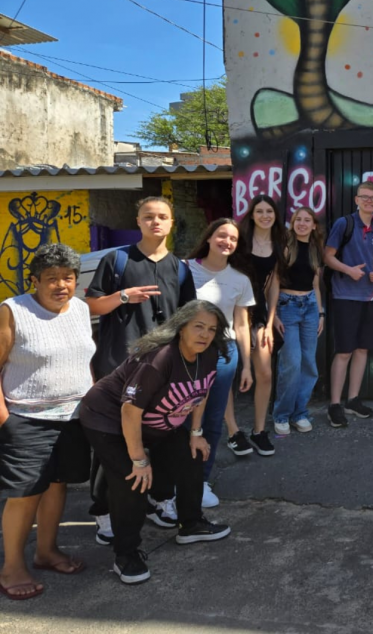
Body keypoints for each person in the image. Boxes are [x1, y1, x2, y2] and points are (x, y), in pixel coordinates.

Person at [80, 300, 232, 584]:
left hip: (154, 420)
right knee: (133, 480)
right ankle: (126, 554)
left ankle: (191, 524)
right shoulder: (160, 357)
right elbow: (129, 410)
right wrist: (139, 459)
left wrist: (196, 433)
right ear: (181, 327)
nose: (205, 334)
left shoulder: (208, 354)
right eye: (198, 326)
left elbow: (201, 391)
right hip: (108, 418)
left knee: (192, 454)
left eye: (212, 329)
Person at [85, 196, 197, 544]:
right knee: (113, 443)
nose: (156, 222)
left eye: (162, 216)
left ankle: (160, 499)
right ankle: (103, 512)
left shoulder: (180, 268)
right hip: (119, 367)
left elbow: (189, 319)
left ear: (171, 222)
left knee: (164, 436)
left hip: (162, 371)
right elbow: (91, 304)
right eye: (149, 217)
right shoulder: (116, 260)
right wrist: (123, 296)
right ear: (138, 220)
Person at [0, 244, 96, 600]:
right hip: (26, 418)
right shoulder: (13, 311)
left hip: (72, 417)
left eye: (68, 278)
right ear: (35, 281)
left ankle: (46, 552)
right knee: (26, 494)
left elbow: (82, 360)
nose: (61, 285)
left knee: (57, 485)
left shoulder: (81, 310)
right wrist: (5, 419)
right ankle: (11, 566)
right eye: (52, 278)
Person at [186, 219, 256, 507]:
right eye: (221, 235)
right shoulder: (185, 269)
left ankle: (201, 479)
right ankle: (177, 479)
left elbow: (241, 325)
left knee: (213, 419)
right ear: (209, 236)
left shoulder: (240, 280)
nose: (227, 241)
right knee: (181, 418)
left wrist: (247, 365)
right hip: (187, 352)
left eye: (233, 239)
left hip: (224, 352)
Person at [323, 181, 373, 428]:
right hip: (345, 296)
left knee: (362, 349)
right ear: (356, 199)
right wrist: (348, 270)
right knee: (344, 351)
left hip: (371, 297)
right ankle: (335, 405)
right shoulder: (344, 224)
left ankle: (353, 400)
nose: (370, 201)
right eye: (365, 197)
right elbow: (327, 257)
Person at [223, 195, 284, 457]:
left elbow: (273, 284)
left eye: (269, 211)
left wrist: (270, 323)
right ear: (252, 215)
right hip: (231, 307)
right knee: (226, 372)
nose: (265, 215)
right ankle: (233, 431)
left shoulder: (278, 243)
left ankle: (259, 431)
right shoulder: (240, 241)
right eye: (259, 211)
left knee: (265, 373)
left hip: (258, 311)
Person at [271, 206, 325, 435]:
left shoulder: (316, 249)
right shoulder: (284, 246)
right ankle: (281, 414)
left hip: (310, 307)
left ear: (314, 225)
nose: (302, 223)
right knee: (291, 363)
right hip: (287, 307)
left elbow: (315, 285)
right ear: (293, 223)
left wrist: (321, 312)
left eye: (307, 220)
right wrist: (272, 314)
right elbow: (273, 281)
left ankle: (299, 413)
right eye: (298, 220)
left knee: (309, 364)